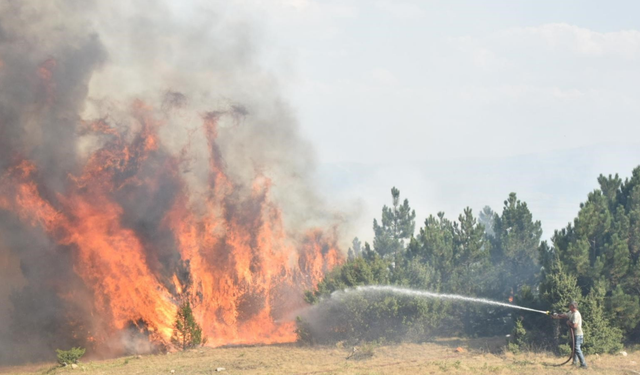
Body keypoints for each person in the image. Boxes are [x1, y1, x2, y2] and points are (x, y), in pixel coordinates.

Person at [552, 301, 588, 368]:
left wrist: (568, 323)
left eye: (570, 306)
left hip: (578, 334)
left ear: (573, 306)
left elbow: (575, 326)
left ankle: (583, 364)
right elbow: (564, 315)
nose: (569, 307)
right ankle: (575, 362)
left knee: (577, 348)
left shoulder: (576, 314)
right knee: (574, 348)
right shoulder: (571, 312)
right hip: (573, 335)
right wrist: (555, 315)